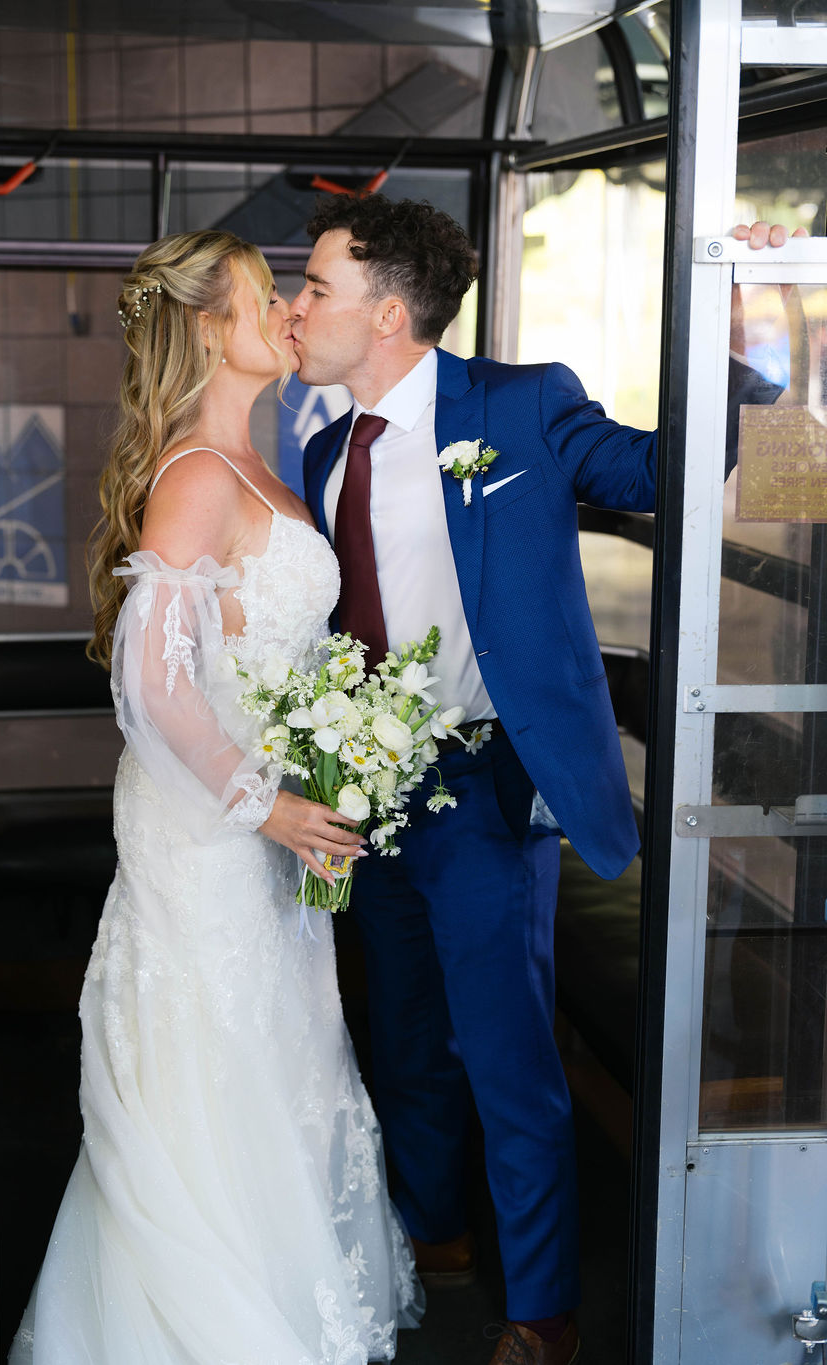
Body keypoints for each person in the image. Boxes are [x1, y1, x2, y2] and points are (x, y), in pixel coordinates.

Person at [290, 195, 792, 1365]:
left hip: (483, 792)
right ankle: (434, 1234)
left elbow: (664, 470)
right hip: (361, 797)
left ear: (390, 314)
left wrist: (741, 314)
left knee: (506, 1059)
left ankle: (543, 1314)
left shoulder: (517, 406)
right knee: (403, 1036)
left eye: (315, 288)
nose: (296, 307)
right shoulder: (323, 447)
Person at [9, 228, 423, 1364]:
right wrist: (267, 806)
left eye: (293, 296)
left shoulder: (266, 467)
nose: (290, 314)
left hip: (255, 821)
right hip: (204, 829)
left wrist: (322, 778)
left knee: (272, 1055)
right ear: (206, 331)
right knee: (211, 1060)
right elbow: (152, 680)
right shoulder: (195, 474)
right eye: (262, 301)